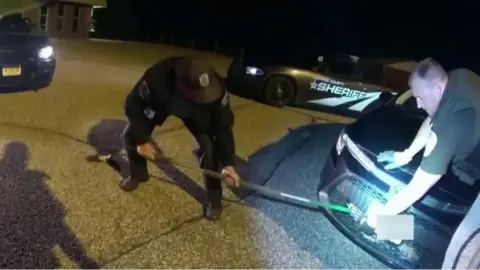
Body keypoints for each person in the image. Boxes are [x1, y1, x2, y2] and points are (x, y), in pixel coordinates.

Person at [366, 58, 480, 269]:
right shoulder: (457, 77)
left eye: (420, 97)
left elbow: (420, 185)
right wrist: (406, 154)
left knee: (463, 249)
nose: (417, 104)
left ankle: (394, 233)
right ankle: (399, 236)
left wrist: (384, 215)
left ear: (437, 89)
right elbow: (431, 120)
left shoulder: (450, 124)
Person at [121, 56, 240, 221]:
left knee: (210, 149)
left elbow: (223, 127)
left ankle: (214, 200)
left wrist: (228, 164)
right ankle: (137, 174)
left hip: (196, 112)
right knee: (131, 135)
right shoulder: (156, 78)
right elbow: (132, 107)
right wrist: (142, 141)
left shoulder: (217, 88)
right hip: (163, 104)